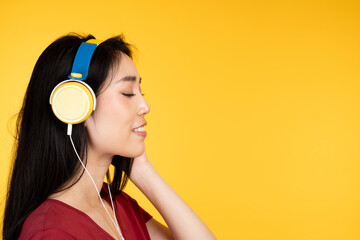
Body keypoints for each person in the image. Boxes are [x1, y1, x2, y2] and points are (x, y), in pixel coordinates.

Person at [2, 33, 216, 240]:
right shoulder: (51, 231)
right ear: (77, 106)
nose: (145, 106)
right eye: (128, 93)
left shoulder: (116, 204)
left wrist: (143, 171)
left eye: (142, 93)